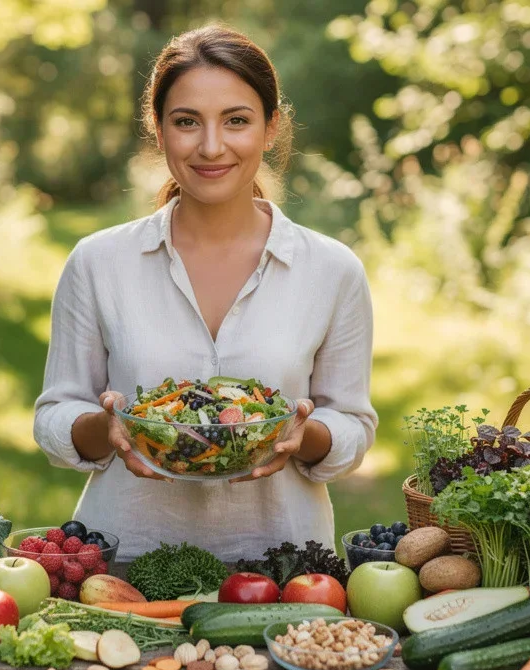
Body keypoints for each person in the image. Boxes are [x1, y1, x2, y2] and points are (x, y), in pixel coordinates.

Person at [33, 23, 377, 563]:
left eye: (236, 121)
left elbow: (352, 424)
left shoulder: (332, 270)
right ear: (159, 129)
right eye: (187, 122)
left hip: (284, 569)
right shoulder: (98, 262)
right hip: (120, 565)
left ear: (270, 128)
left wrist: (299, 437)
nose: (211, 146)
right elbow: (55, 413)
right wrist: (108, 430)